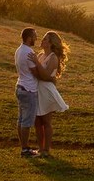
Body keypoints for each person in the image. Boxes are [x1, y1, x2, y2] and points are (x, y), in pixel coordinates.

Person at [14, 27, 54, 158]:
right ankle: (25, 149)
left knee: (20, 120)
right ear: (29, 37)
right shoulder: (29, 52)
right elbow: (36, 73)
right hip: (29, 90)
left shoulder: (19, 50)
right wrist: (49, 77)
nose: (36, 39)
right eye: (35, 36)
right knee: (26, 121)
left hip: (20, 86)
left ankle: (24, 147)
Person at [33, 30, 70, 157]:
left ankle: (46, 149)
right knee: (37, 121)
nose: (42, 41)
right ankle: (40, 148)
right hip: (37, 89)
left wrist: (36, 65)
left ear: (50, 43)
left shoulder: (53, 57)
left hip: (46, 91)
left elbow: (46, 76)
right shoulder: (40, 55)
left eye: (45, 39)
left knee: (46, 121)